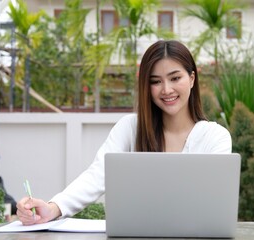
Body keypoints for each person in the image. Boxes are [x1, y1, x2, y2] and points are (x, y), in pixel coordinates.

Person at [16, 40, 232, 225]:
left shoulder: (216, 138)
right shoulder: (130, 128)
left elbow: (212, 203)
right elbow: (97, 176)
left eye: (175, 78)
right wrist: (53, 208)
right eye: (155, 81)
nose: (166, 90)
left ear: (192, 79)